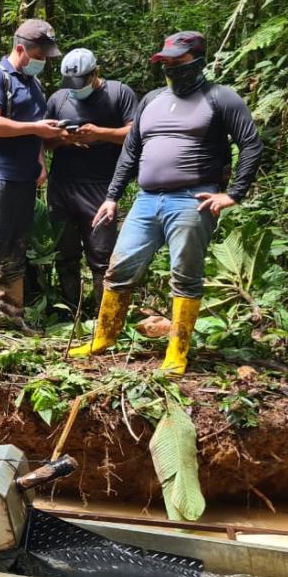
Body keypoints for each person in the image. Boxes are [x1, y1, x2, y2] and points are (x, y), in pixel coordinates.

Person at [69, 31, 262, 375]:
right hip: (146, 200)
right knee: (119, 268)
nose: (171, 67)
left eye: (179, 61)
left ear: (198, 59)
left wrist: (233, 194)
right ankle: (104, 337)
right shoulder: (152, 100)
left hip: (192, 199)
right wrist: (112, 197)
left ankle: (177, 351)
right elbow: (131, 151)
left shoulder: (220, 98)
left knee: (185, 275)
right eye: (166, 62)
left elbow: (250, 144)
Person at [0, 19, 66, 337]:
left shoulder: (34, 85)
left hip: (24, 176)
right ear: (21, 48)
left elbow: (36, 128)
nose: (44, 60)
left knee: (17, 246)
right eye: (40, 54)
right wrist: (36, 129)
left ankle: (11, 313)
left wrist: (40, 162)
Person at [44, 48, 137, 316]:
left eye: (82, 82)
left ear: (95, 73)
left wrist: (100, 133)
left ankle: (102, 316)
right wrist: (64, 138)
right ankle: (71, 312)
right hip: (62, 186)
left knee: (102, 255)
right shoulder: (59, 99)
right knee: (65, 253)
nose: (76, 89)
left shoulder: (119, 93)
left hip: (101, 187)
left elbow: (135, 134)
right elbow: (43, 141)